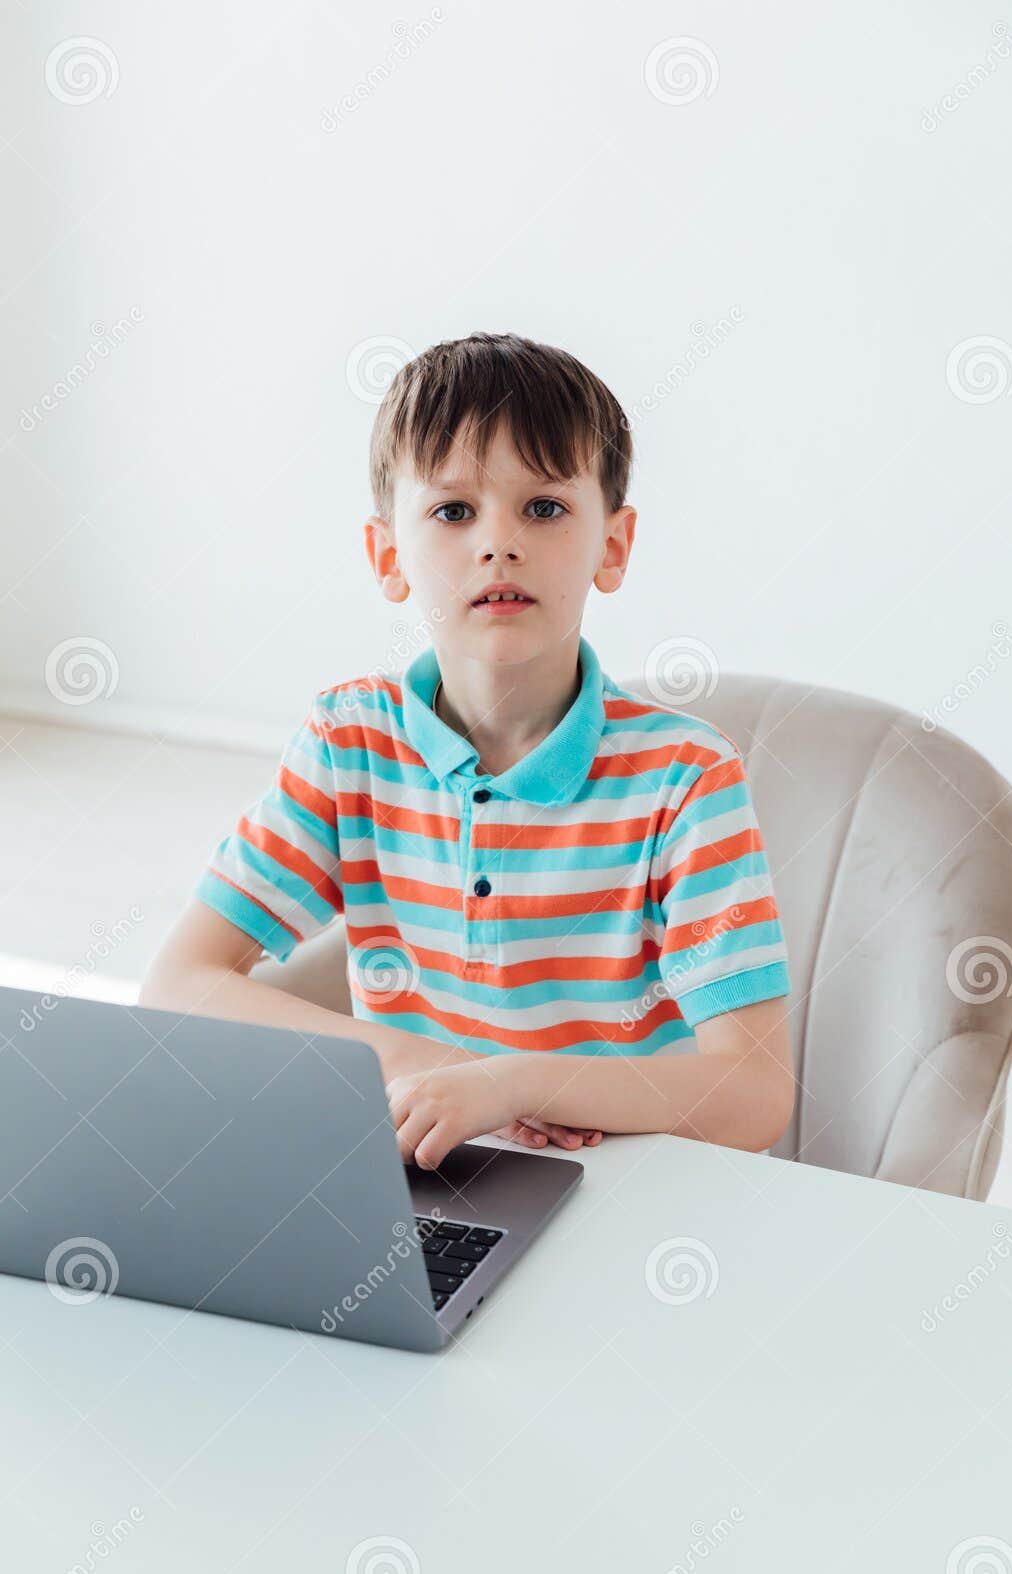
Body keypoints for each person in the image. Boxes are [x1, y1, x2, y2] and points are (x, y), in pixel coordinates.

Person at [139, 332, 795, 1171]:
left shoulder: (686, 780)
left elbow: (753, 1093)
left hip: (627, 1189)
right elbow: (180, 987)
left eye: (545, 507)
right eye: (454, 511)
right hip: (430, 1166)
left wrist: (514, 1083)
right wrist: (443, 1071)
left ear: (614, 546)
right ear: (389, 557)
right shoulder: (349, 745)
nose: (499, 543)